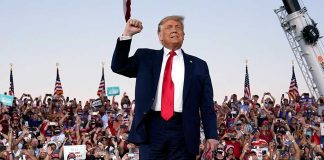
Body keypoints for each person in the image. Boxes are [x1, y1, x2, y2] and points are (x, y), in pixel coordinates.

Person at [111, 15, 218, 159]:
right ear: (159, 36)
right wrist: (127, 34)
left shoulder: (199, 65)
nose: (174, 30)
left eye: (178, 27)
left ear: (184, 35)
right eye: (169, 27)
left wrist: (211, 134)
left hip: (184, 130)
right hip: (151, 129)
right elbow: (118, 66)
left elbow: (206, 104)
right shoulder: (145, 57)